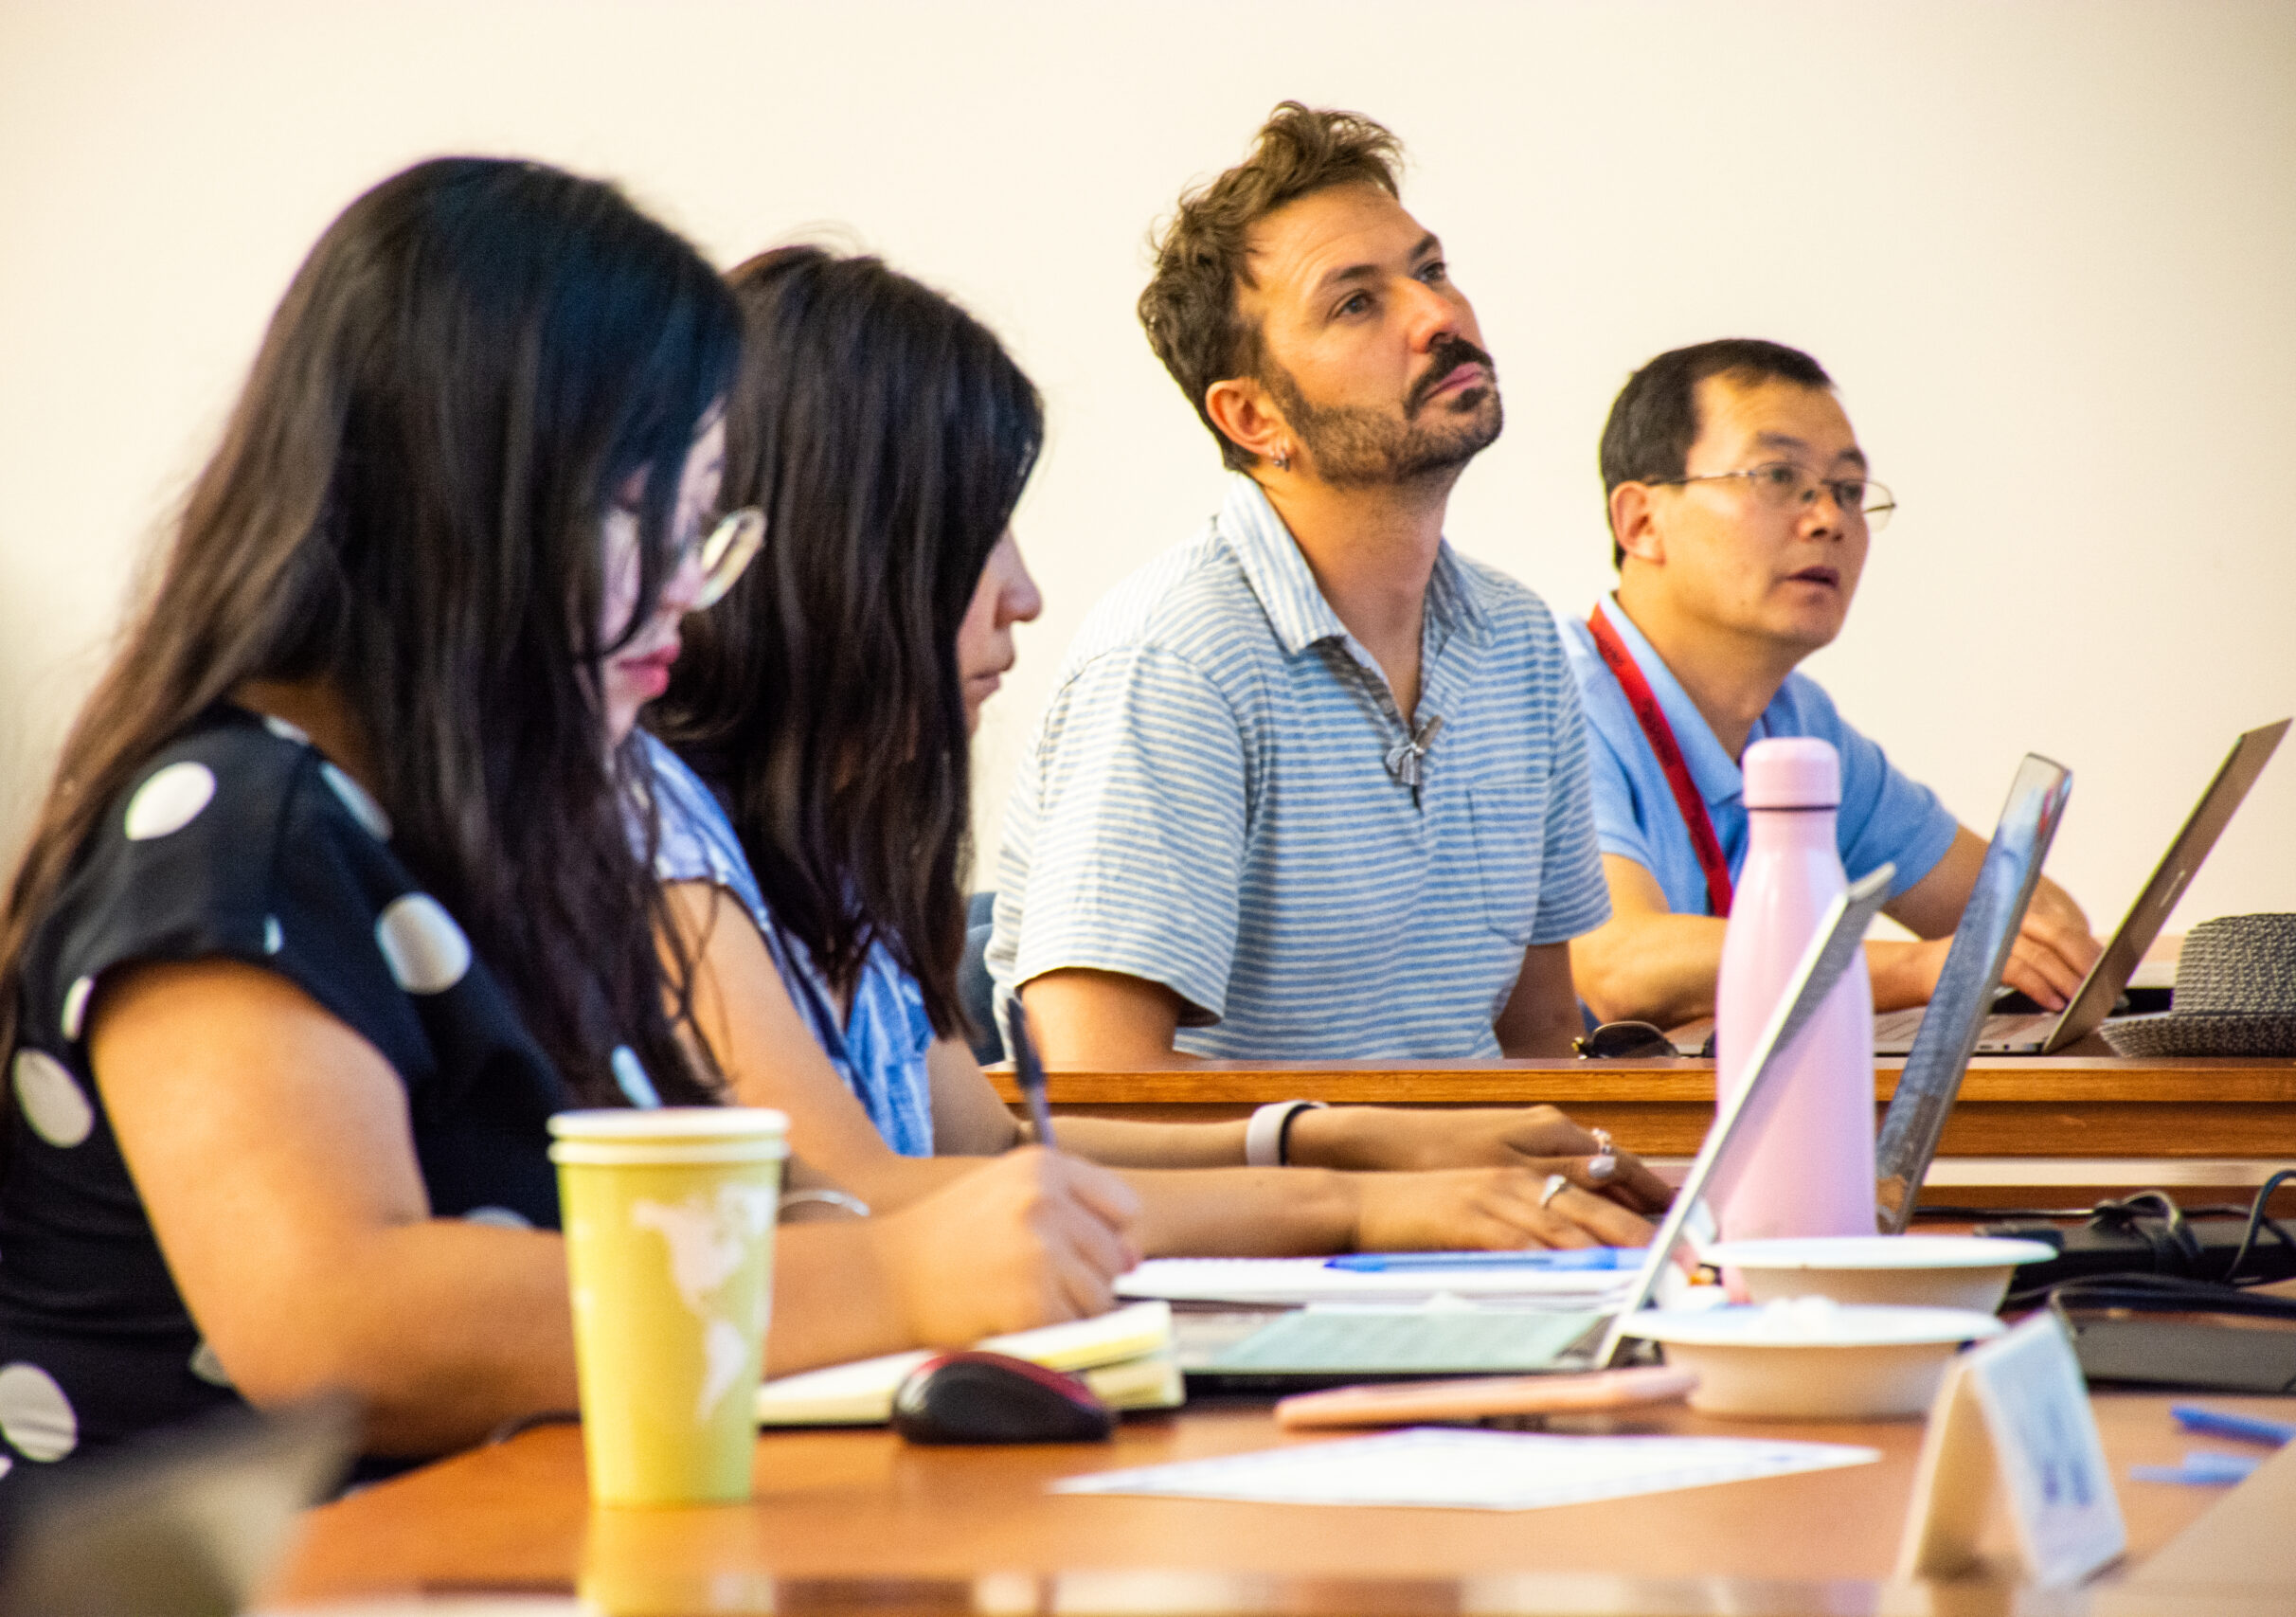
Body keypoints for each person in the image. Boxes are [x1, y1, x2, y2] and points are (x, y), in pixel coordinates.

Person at [0, 159, 1137, 1584]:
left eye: (712, 526)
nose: (692, 587)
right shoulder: (244, 824)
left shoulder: (508, 837)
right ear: (483, 504)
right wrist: (897, 1275)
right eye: (658, 516)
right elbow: (337, 1312)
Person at [644, 245, 1666, 1258]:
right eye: (973, 534)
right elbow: (875, 1200)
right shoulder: (667, 842)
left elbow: (994, 1148)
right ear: (830, 551)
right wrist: (1351, 1205)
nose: (1025, 594)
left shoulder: (841, 851)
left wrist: (1343, 1137)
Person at [983, 104, 1608, 1068]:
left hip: (1481, 1209)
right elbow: (1096, 1096)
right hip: (1273, 1212)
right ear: (1252, 417)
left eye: (1430, 271)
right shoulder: (1175, 662)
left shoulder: (1520, 642)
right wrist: (1397, 1185)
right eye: (1356, 303)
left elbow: (1539, 1047)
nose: (1440, 316)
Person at [1562, 338, 2101, 1029]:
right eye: (1777, 476)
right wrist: (1917, 970)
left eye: (1847, 490)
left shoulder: (1797, 723)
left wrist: (2024, 954)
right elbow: (1622, 966)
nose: (1829, 520)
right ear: (1640, 521)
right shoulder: (1556, 698)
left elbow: (2036, 918)